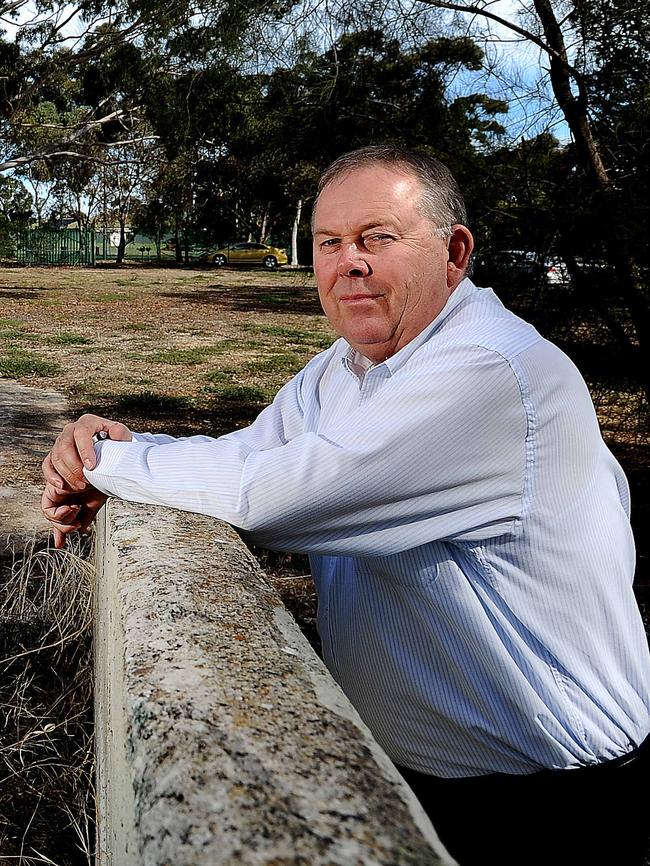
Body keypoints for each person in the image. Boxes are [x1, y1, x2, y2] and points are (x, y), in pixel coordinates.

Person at [42, 145, 650, 866]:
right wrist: (122, 447)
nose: (346, 262)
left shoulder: (494, 371)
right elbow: (251, 454)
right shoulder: (346, 366)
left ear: (455, 252)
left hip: (544, 799)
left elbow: (277, 497)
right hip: (423, 773)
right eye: (329, 242)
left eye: (377, 238)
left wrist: (107, 462)